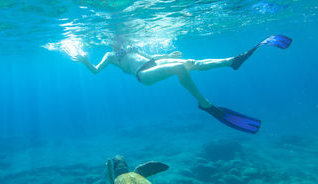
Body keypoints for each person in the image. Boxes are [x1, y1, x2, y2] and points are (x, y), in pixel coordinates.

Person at [71, 35, 292, 134]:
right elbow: (96, 72)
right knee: (180, 69)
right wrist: (85, 61)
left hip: (154, 62)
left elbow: (149, 55)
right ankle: (204, 103)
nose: (117, 40)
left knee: (189, 62)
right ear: (109, 41)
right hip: (144, 74)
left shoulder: (132, 45)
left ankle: (232, 61)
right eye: (113, 39)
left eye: (119, 37)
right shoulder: (110, 55)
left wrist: (168, 54)